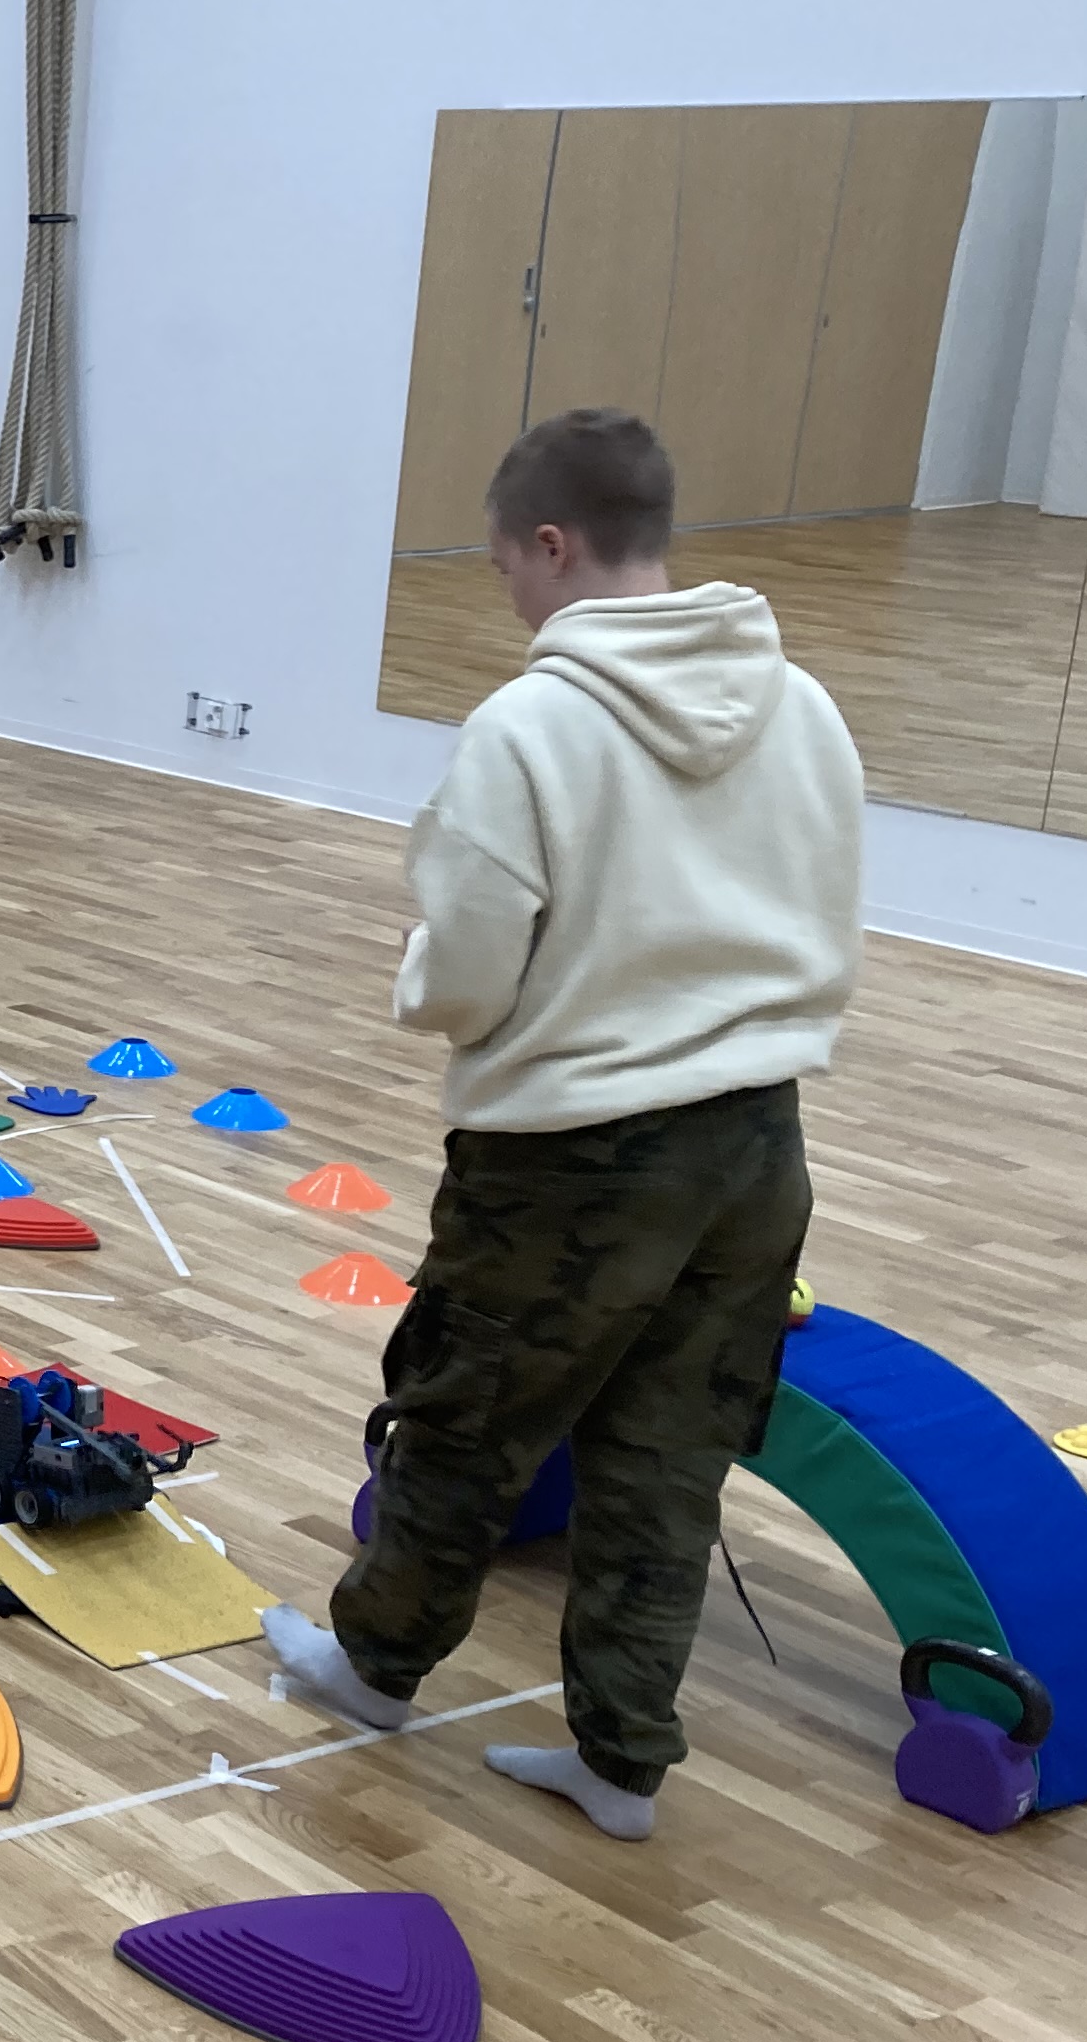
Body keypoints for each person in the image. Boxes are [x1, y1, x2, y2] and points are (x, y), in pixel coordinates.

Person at [261, 408, 863, 1839]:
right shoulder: (804, 706)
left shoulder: (528, 726)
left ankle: (375, 1669)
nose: (509, 597)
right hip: (758, 1149)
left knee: (465, 1424)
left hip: (571, 1159)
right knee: (667, 1462)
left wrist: (421, 979)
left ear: (550, 543)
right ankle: (622, 1763)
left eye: (503, 567)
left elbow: (469, 975)